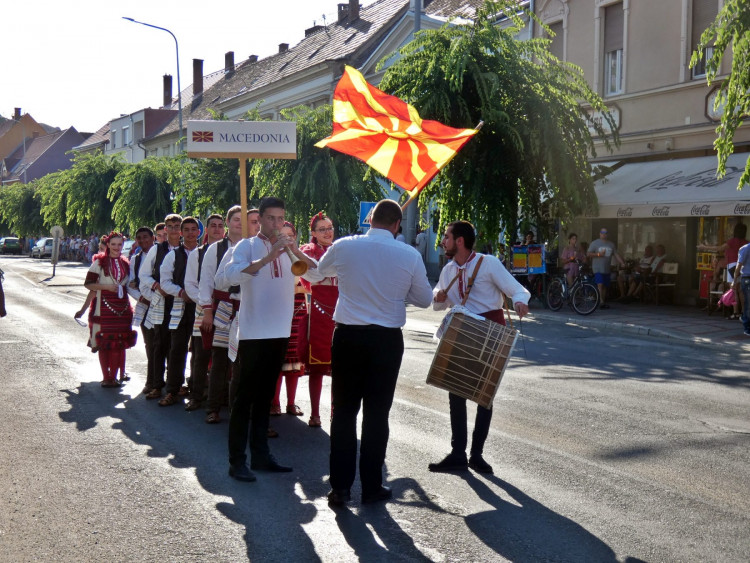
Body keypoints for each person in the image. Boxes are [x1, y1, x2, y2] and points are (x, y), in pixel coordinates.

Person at [318, 199, 433, 506]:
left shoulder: (344, 246)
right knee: (376, 414)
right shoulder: (408, 254)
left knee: (343, 412)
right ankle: (371, 486)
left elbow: (316, 274)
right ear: (397, 224)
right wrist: (398, 288)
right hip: (385, 340)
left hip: (348, 336)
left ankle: (339, 487)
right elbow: (424, 299)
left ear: (370, 219)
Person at [224, 197, 318, 482]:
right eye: (271, 219)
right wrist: (267, 258)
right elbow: (227, 277)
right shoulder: (246, 246)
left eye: (281, 219)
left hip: (280, 330)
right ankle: (237, 461)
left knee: (265, 398)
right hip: (253, 333)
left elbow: (317, 272)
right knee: (244, 399)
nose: (277, 224)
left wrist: (293, 251)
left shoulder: (290, 248)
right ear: (261, 219)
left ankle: (262, 455)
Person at [428, 221, 530, 474]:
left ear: (459, 241)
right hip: (461, 331)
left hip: (489, 331)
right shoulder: (449, 268)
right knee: (456, 392)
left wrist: (519, 302)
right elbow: (438, 302)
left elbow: (516, 289)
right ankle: (458, 453)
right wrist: (438, 296)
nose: (443, 241)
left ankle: (477, 454)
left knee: (485, 395)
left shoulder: (488, 263)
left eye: (447, 237)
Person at [210, 208, 261, 424]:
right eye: (252, 222)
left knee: (260, 370)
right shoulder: (235, 251)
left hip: (263, 315)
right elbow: (219, 282)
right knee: (234, 365)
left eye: (260, 221)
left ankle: (259, 419)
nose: (256, 225)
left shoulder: (272, 249)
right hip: (237, 311)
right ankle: (233, 415)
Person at [156, 216, 201, 407]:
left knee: (200, 352)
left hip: (200, 307)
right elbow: (164, 282)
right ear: (181, 233)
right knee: (177, 349)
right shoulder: (172, 256)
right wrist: (182, 292)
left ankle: (196, 391)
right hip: (180, 306)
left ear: (199, 232)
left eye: (194, 229)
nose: (191, 233)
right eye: (187, 230)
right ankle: (172, 390)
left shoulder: (206, 253)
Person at [183, 214, 226, 411]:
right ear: (206, 230)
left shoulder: (232, 250)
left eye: (220, 226)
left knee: (223, 356)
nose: (217, 229)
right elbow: (190, 283)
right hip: (203, 308)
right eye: (213, 226)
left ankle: (221, 397)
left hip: (226, 309)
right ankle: (196, 395)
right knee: (200, 355)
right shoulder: (197, 253)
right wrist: (204, 302)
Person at [299, 211, 338, 427]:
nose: (327, 232)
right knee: (317, 367)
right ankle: (315, 413)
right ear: (313, 233)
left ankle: (335, 413)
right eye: (322, 229)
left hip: (340, 310)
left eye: (330, 228)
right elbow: (313, 274)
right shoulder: (308, 251)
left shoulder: (339, 249)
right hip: (317, 310)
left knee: (339, 368)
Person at [83, 232, 136, 387]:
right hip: (104, 307)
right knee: (104, 343)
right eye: (113, 244)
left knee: (119, 343)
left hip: (122, 308)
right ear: (107, 245)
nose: (116, 248)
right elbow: (88, 284)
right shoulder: (99, 263)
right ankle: (107, 377)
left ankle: (113, 376)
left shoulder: (126, 263)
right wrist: (106, 287)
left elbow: (128, 284)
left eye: (119, 244)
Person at [139, 214, 183, 398]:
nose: (173, 229)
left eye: (177, 226)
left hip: (181, 302)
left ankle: (176, 384)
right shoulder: (157, 250)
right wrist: (157, 286)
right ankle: (157, 384)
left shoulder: (187, 249)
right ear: (165, 229)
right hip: (162, 302)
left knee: (178, 346)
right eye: (170, 226)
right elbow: (144, 276)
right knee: (159, 344)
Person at [270, 221, 308, 421]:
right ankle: (274, 402)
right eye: (282, 236)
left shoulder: (300, 254)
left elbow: (311, 280)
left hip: (298, 312)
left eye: (290, 235)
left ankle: (291, 402)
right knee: (277, 360)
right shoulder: (271, 256)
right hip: (277, 313)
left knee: (294, 362)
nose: (287, 239)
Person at [126, 227, 156, 391]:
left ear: (153, 238)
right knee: (150, 344)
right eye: (139, 238)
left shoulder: (162, 255)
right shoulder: (135, 260)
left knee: (165, 345)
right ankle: (150, 380)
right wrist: (142, 297)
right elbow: (130, 284)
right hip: (145, 306)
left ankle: (163, 380)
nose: (143, 240)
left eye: (146, 237)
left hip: (163, 306)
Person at [699, 223, 747, 319]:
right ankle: (744, 312)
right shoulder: (746, 242)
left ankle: (735, 313)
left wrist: (704, 247)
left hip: (733, 266)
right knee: (741, 291)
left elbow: (719, 248)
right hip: (744, 266)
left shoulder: (732, 241)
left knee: (733, 290)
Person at [587, 228, 625, 308]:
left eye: (605, 233)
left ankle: (602, 302)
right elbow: (588, 253)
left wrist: (621, 262)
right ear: (599, 234)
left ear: (607, 234)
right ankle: (600, 301)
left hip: (607, 268)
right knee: (600, 284)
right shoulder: (595, 243)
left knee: (604, 286)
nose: (604, 234)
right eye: (602, 232)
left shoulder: (611, 244)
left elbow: (616, 254)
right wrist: (598, 254)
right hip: (597, 268)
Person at [732, 241, 750, 336]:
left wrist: (734, 281)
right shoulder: (745, 248)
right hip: (747, 279)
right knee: (748, 303)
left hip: (747, 278)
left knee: (747, 303)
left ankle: (747, 327)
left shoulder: (744, 249)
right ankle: (747, 326)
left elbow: (738, 266)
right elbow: (739, 266)